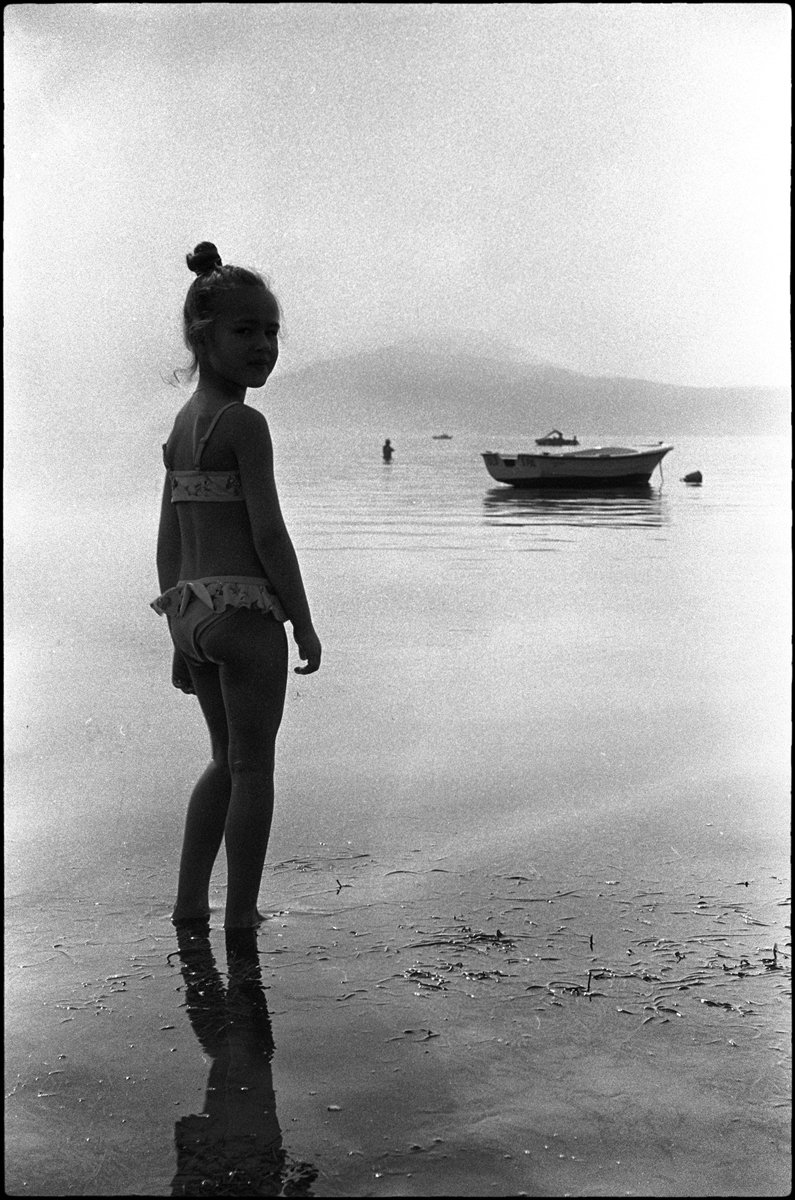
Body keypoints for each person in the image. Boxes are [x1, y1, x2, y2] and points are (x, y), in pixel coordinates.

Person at [152, 241, 322, 931]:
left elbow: (170, 539)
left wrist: (177, 629)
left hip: (195, 611)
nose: (263, 345)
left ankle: (190, 902)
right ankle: (242, 914)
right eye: (245, 330)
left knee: (223, 762)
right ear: (203, 337)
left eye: (271, 331)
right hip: (245, 615)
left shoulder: (183, 427)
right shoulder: (244, 425)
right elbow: (269, 535)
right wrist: (302, 621)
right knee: (254, 770)